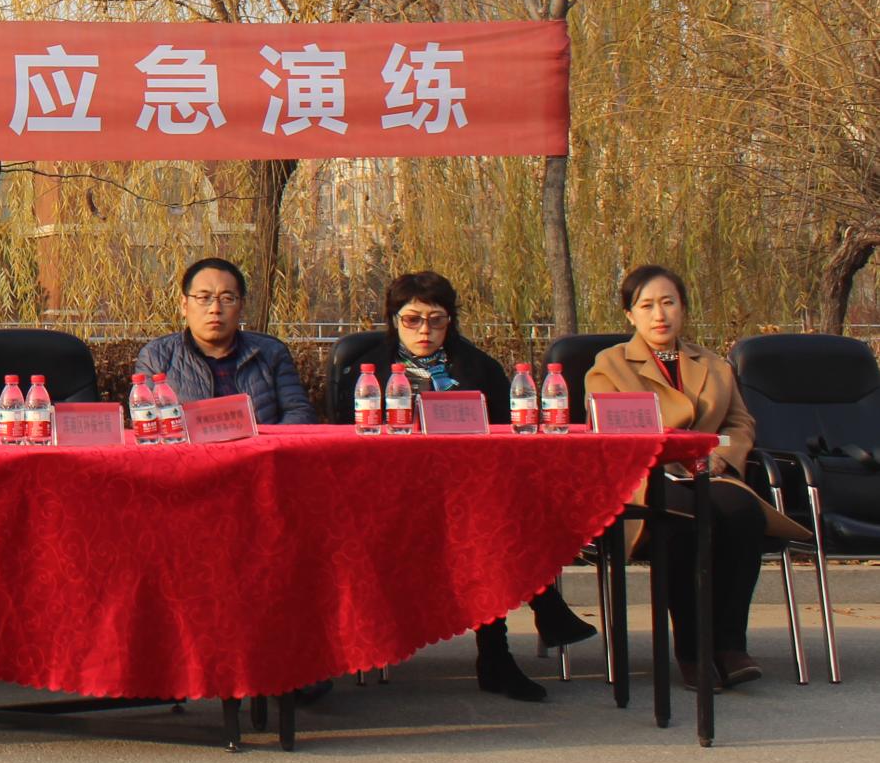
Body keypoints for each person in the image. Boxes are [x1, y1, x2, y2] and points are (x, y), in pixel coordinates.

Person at [331, 271, 597, 702]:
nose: (424, 330)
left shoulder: (479, 368)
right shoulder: (366, 373)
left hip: (467, 496)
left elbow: (509, 442)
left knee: (484, 518)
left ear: (450, 321)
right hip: (389, 498)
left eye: (436, 319)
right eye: (412, 319)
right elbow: (347, 446)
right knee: (482, 521)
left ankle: (499, 652)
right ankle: (533, 616)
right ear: (394, 320)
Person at [587, 264, 805, 689]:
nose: (659, 315)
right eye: (646, 306)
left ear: (683, 308)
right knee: (683, 520)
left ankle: (730, 645)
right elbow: (610, 429)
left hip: (709, 472)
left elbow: (739, 423)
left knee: (743, 514)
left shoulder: (714, 364)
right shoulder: (609, 365)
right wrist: (675, 453)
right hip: (648, 478)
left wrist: (722, 454)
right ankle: (692, 651)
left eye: (668, 302)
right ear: (630, 315)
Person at [133, 257, 317, 424]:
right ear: (184, 305)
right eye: (203, 298)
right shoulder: (157, 356)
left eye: (227, 298)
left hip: (259, 449)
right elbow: (147, 422)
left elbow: (299, 413)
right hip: (189, 451)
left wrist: (264, 445)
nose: (215, 308)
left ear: (241, 306)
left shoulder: (271, 352)